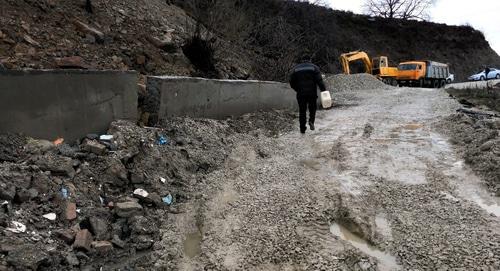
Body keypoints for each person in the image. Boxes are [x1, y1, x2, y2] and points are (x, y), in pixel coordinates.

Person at [289, 55, 326, 134]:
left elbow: (291, 82)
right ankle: (311, 121)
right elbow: (319, 80)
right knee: (312, 108)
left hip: (301, 93)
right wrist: (324, 90)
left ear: (302, 59)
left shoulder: (296, 69)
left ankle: (302, 128)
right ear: (310, 59)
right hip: (312, 93)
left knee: (302, 111)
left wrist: (297, 89)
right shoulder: (314, 67)